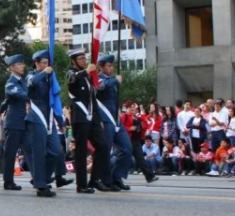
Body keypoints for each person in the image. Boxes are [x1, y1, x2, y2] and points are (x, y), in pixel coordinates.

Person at [96, 54, 158, 189]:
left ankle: (116, 176)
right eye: (108, 65)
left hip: (116, 119)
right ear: (101, 67)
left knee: (127, 148)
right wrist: (115, 81)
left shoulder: (111, 80)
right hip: (105, 118)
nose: (111, 68)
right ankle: (105, 180)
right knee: (106, 151)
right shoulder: (98, 78)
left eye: (112, 66)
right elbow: (100, 87)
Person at [66, 49, 115, 192]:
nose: (84, 60)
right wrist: (87, 71)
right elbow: (72, 79)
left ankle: (94, 179)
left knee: (102, 146)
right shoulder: (72, 72)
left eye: (84, 57)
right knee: (81, 152)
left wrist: (98, 118)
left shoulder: (88, 76)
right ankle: (81, 185)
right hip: (80, 118)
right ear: (74, 61)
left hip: (92, 117)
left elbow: (93, 100)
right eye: (80, 58)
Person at [22, 50, 63, 197]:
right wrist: (44, 73)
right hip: (36, 117)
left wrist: (61, 122)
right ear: (37, 63)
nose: (47, 66)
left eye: (48, 63)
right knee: (39, 152)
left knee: (55, 151)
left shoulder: (51, 79)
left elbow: (55, 101)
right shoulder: (32, 75)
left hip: (49, 118)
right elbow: (31, 83)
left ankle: (42, 178)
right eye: (44, 63)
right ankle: (41, 186)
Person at [2, 54, 28, 191]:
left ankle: (38, 177)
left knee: (30, 149)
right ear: (11, 67)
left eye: (22, 63)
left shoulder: (22, 82)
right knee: (10, 152)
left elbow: (5, 101)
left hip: (23, 121)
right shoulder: (11, 83)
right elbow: (22, 95)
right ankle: (8, 181)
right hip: (14, 122)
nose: (22, 66)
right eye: (19, 64)